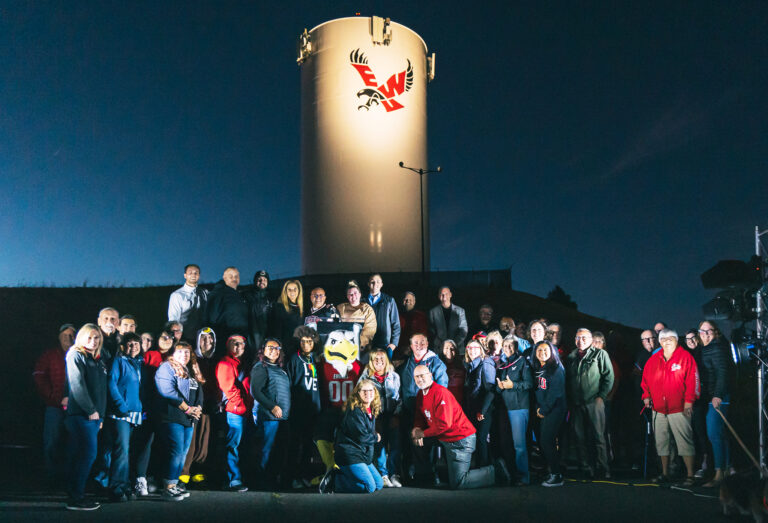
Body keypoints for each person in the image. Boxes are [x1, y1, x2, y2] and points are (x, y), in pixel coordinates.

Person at [411, 365, 508, 489]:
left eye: (422, 375)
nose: (420, 379)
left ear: (430, 375)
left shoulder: (440, 392)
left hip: (460, 440)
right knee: (416, 440)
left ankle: (495, 471)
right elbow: (420, 416)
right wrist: (417, 429)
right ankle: (426, 476)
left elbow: (444, 425)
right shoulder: (421, 394)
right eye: (417, 376)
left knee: (459, 482)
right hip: (443, 437)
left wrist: (423, 434)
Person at [641, 328, 699, 486]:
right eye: (663, 338)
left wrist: (689, 401)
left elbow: (693, 380)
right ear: (659, 341)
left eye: (670, 338)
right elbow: (645, 380)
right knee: (662, 442)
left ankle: (690, 475)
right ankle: (665, 473)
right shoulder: (653, 360)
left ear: (676, 340)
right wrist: (646, 395)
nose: (666, 341)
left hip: (679, 407)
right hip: (658, 409)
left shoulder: (685, 357)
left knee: (684, 441)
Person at [64, 324, 107, 511]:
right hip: (81, 415)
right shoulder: (76, 355)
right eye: (89, 337)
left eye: (96, 337)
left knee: (84, 455)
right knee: (86, 455)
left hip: (94, 418)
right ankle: (75, 498)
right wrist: (90, 410)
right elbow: (77, 385)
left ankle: (76, 495)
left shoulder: (98, 359)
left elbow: (102, 391)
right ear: (81, 338)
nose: (93, 341)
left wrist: (101, 416)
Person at [155, 341, 203, 501]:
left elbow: (198, 391)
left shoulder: (189, 371)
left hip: (189, 418)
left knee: (183, 452)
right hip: (173, 415)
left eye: (187, 352)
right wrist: (187, 408)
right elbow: (167, 391)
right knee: (175, 450)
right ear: (173, 354)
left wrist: (198, 408)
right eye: (181, 352)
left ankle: (174, 484)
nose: (184, 355)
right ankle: (167, 486)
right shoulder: (166, 367)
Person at [398, 333, 448, 484]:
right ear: (411, 346)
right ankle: (414, 475)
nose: (418, 346)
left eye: (422, 342)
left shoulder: (436, 363)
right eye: (415, 343)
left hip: (429, 412)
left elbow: (441, 389)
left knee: (427, 443)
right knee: (410, 443)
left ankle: (429, 475)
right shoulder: (407, 364)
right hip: (410, 411)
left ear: (427, 344)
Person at [565, 328, 614, 479]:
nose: (581, 340)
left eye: (584, 337)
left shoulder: (600, 354)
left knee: (598, 436)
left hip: (594, 401)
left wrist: (602, 396)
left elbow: (608, 376)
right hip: (576, 403)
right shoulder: (571, 357)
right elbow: (567, 380)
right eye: (578, 338)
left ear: (591, 339)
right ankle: (585, 466)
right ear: (575, 340)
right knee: (580, 436)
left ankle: (603, 467)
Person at [321, 380, 383, 494]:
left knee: (379, 484)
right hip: (349, 454)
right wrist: (376, 437)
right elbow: (362, 438)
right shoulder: (355, 411)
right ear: (358, 393)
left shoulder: (371, 409)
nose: (368, 393)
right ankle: (335, 481)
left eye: (370, 390)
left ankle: (345, 476)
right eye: (364, 391)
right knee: (370, 487)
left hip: (362, 455)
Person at [33, 323, 75, 486]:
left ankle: (70, 475)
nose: (68, 339)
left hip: (75, 406)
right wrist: (52, 396)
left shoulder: (80, 354)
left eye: (71, 335)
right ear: (59, 337)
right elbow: (38, 375)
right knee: (52, 440)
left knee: (73, 441)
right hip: (55, 405)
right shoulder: (50, 355)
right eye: (65, 335)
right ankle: (51, 474)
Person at [104, 332, 143, 502]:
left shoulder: (139, 364)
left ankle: (125, 484)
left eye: (136, 343)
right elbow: (111, 384)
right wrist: (121, 406)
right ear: (123, 346)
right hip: (121, 414)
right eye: (129, 343)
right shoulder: (119, 361)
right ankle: (116, 487)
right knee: (121, 450)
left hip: (135, 413)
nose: (133, 346)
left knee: (127, 451)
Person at [250, 338, 291, 490]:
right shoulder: (261, 367)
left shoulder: (280, 369)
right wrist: (272, 407)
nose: (274, 350)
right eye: (270, 347)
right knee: (266, 449)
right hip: (268, 416)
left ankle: (272, 479)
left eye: (277, 348)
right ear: (263, 350)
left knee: (278, 450)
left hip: (282, 417)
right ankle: (261, 481)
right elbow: (256, 391)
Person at [180, 327, 217, 489]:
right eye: (203, 338)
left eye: (210, 339)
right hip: (193, 406)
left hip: (210, 406)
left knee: (204, 441)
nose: (207, 342)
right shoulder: (193, 359)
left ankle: (198, 473)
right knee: (190, 442)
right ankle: (184, 474)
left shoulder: (216, 359)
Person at [359, 348, 402, 488]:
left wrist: (397, 413)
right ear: (371, 361)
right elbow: (359, 396)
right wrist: (370, 416)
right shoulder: (365, 377)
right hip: (376, 416)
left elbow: (400, 397)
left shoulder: (394, 376)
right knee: (380, 446)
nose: (379, 362)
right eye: (376, 359)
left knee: (395, 444)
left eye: (382, 359)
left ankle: (394, 474)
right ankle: (383, 475)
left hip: (392, 414)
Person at [285, 326, 322, 489]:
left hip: (313, 409)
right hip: (298, 409)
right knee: (294, 444)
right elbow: (288, 385)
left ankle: (305, 475)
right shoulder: (294, 359)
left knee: (308, 445)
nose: (306, 344)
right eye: (303, 341)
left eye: (309, 341)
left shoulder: (318, 360)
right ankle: (291, 477)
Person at [698, 320, 732, 487]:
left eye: (708, 330)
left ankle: (719, 473)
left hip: (719, 397)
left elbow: (722, 372)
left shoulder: (717, 347)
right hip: (712, 395)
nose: (705, 333)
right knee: (720, 433)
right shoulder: (707, 348)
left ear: (715, 332)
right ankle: (725, 470)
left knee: (713, 433)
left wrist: (718, 395)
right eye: (702, 331)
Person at [495, 334, 533, 485]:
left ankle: (524, 476)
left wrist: (514, 385)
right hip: (506, 408)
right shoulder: (503, 365)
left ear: (516, 347)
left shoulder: (522, 361)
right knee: (508, 444)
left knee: (519, 445)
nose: (508, 348)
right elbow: (501, 388)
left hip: (519, 407)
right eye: (505, 346)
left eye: (511, 346)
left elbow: (529, 383)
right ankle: (512, 474)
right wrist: (500, 388)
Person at [216, 335, 252, 492]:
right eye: (234, 343)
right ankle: (233, 480)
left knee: (239, 446)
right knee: (233, 445)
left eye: (241, 344)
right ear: (228, 346)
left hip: (244, 411)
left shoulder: (242, 363)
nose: (238, 346)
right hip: (235, 411)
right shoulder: (225, 363)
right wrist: (240, 405)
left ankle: (237, 477)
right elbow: (229, 388)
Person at [533, 341, 567, 487]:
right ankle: (552, 470)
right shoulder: (539, 367)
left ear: (552, 352)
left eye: (546, 350)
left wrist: (544, 409)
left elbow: (556, 392)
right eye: (539, 350)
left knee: (547, 441)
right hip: (544, 409)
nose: (542, 352)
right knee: (545, 441)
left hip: (555, 409)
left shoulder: (556, 368)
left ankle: (557, 475)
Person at [463, 339, 496, 467]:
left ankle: (485, 468)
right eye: (469, 348)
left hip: (484, 409)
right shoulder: (470, 366)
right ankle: (480, 467)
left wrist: (482, 411)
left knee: (482, 439)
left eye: (476, 348)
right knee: (477, 439)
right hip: (474, 407)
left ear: (481, 350)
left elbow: (490, 390)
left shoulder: (486, 364)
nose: (472, 350)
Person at [684, 329, 709, 478]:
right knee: (693, 431)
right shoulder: (688, 355)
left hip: (703, 398)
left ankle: (706, 462)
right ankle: (700, 462)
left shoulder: (703, 352)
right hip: (691, 399)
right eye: (688, 340)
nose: (691, 341)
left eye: (693, 338)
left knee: (701, 430)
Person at [205, 267, 248, 351]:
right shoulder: (217, 294)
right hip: (225, 340)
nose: (234, 279)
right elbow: (210, 318)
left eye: (236, 276)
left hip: (241, 339)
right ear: (224, 278)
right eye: (231, 276)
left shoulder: (239, 295)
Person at [168, 264, 209, 339]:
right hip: (184, 336)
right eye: (190, 273)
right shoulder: (177, 295)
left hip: (202, 336)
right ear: (185, 275)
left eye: (196, 273)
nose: (193, 275)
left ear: (199, 275)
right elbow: (173, 319)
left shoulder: (205, 293)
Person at [366, 273, 401, 358]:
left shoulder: (389, 300)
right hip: (367, 344)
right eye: (372, 282)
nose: (375, 284)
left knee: (385, 370)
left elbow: (396, 323)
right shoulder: (362, 300)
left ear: (381, 284)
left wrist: (393, 344)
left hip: (385, 344)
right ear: (368, 284)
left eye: (378, 282)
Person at [337, 280, 377, 353]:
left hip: (361, 347)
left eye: (355, 293)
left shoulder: (367, 309)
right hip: (342, 345)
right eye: (350, 294)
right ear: (347, 296)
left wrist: (359, 344)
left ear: (360, 294)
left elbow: (369, 330)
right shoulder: (340, 308)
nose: (353, 296)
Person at [428, 287, 468, 354]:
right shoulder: (433, 311)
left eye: (446, 294)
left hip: (457, 348)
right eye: (442, 294)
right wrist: (441, 344)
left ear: (450, 295)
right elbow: (431, 330)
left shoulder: (460, 311)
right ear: (438, 296)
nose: (444, 296)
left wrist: (453, 344)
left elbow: (464, 329)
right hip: (439, 349)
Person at [270, 280, 304, 351]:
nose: (292, 292)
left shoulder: (302, 308)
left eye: (295, 289)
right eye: (289, 290)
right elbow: (277, 331)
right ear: (285, 292)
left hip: (299, 346)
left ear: (299, 291)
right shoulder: (279, 307)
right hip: (286, 348)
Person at [244, 269, 272, 352]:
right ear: (255, 281)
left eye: (264, 280)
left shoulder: (272, 297)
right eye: (259, 279)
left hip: (267, 336)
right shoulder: (247, 296)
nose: (262, 281)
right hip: (251, 338)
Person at [396, 291, 428, 362]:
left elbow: (422, 334)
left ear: (414, 302)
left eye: (410, 300)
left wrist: (411, 348)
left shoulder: (420, 316)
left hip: (415, 351)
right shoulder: (396, 316)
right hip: (399, 351)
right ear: (402, 301)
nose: (407, 302)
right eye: (405, 300)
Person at [440, 339, 466, 405]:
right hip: (443, 401)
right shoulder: (438, 365)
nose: (449, 350)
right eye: (446, 348)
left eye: (452, 348)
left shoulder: (462, 365)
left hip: (458, 401)